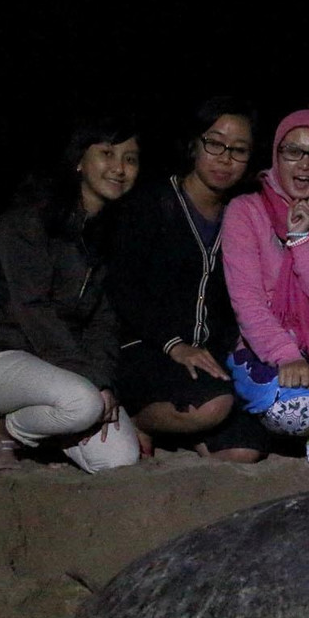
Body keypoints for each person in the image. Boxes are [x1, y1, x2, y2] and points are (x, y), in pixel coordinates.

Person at [0, 116, 142, 473]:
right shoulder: (28, 220)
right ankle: (7, 430)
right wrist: (91, 383)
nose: (119, 168)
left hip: (60, 369)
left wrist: (104, 380)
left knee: (118, 459)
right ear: (79, 161)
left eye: (130, 159)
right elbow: (33, 309)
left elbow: (103, 321)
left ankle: (48, 424)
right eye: (106, 153)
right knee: (84, 404)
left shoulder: (107, 232)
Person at [106, 96, 268, 463]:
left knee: (245, 451)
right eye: (215, 143)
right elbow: (123, 288)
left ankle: (178, 432)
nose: (225, 158)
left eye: (239, 150)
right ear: (194, 143)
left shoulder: (243, 215)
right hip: (147, 349)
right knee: (212, 406)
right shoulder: (152, 202)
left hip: (208, 359)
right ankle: (137, 420)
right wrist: (174, 344)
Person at [222, 109, 309, 442]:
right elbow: (247, 302)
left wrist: (301, 242)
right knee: (300, 412)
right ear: (276, 155)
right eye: (293, 151)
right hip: (266, 350)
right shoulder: (245, 210)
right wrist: (286, 356)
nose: (304, 164)